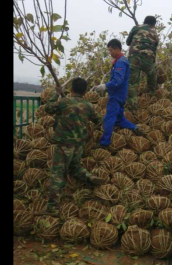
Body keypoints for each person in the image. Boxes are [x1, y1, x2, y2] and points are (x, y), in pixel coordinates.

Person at [36, 78, 105, 216]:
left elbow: (47, 108)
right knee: (75, 167)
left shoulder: (64, 102)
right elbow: (99, 120)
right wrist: (88, 128)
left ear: (71, 89)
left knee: (57, 174)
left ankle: (52, 208)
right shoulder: (88, 106)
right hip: (79, 144)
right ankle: (89, 177)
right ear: (85, 92)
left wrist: (56, 93)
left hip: (64, 144)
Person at [95, 39, 143, 148]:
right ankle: (134, 128)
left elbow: (118, 80)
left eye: (111, 50)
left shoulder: (121, 62)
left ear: (117, 49)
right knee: (119, 118)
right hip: (121, 95)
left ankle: (104, 143)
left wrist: (105, 86)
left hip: (116, 96)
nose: (110, 53)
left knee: (109, 118)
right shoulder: (121, 61)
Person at [126, 16, 159, 111]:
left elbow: (128, 42)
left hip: (134, 59)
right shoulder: (155, 34)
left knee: (132, 84)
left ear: (144, 22)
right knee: (152, 75)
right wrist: (152, 65)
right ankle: (151, 98)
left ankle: (132, 109)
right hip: (148, 60)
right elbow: (154, 49)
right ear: (153, 25)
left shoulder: (136, 28)